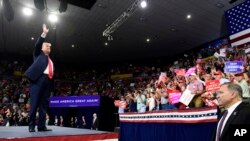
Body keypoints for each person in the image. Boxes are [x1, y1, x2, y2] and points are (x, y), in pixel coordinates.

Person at [25, 24, 54, 132]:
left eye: (50, 47)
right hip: (37, 80)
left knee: (43, 106)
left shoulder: (49, 59)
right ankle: (31, 126)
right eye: (47, 46)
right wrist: (44, 33)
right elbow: (37, 44)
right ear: (42, 48)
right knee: (34, 104)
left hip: (47, 81)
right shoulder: (38, 54)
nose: (49, 48)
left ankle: (41, 126)